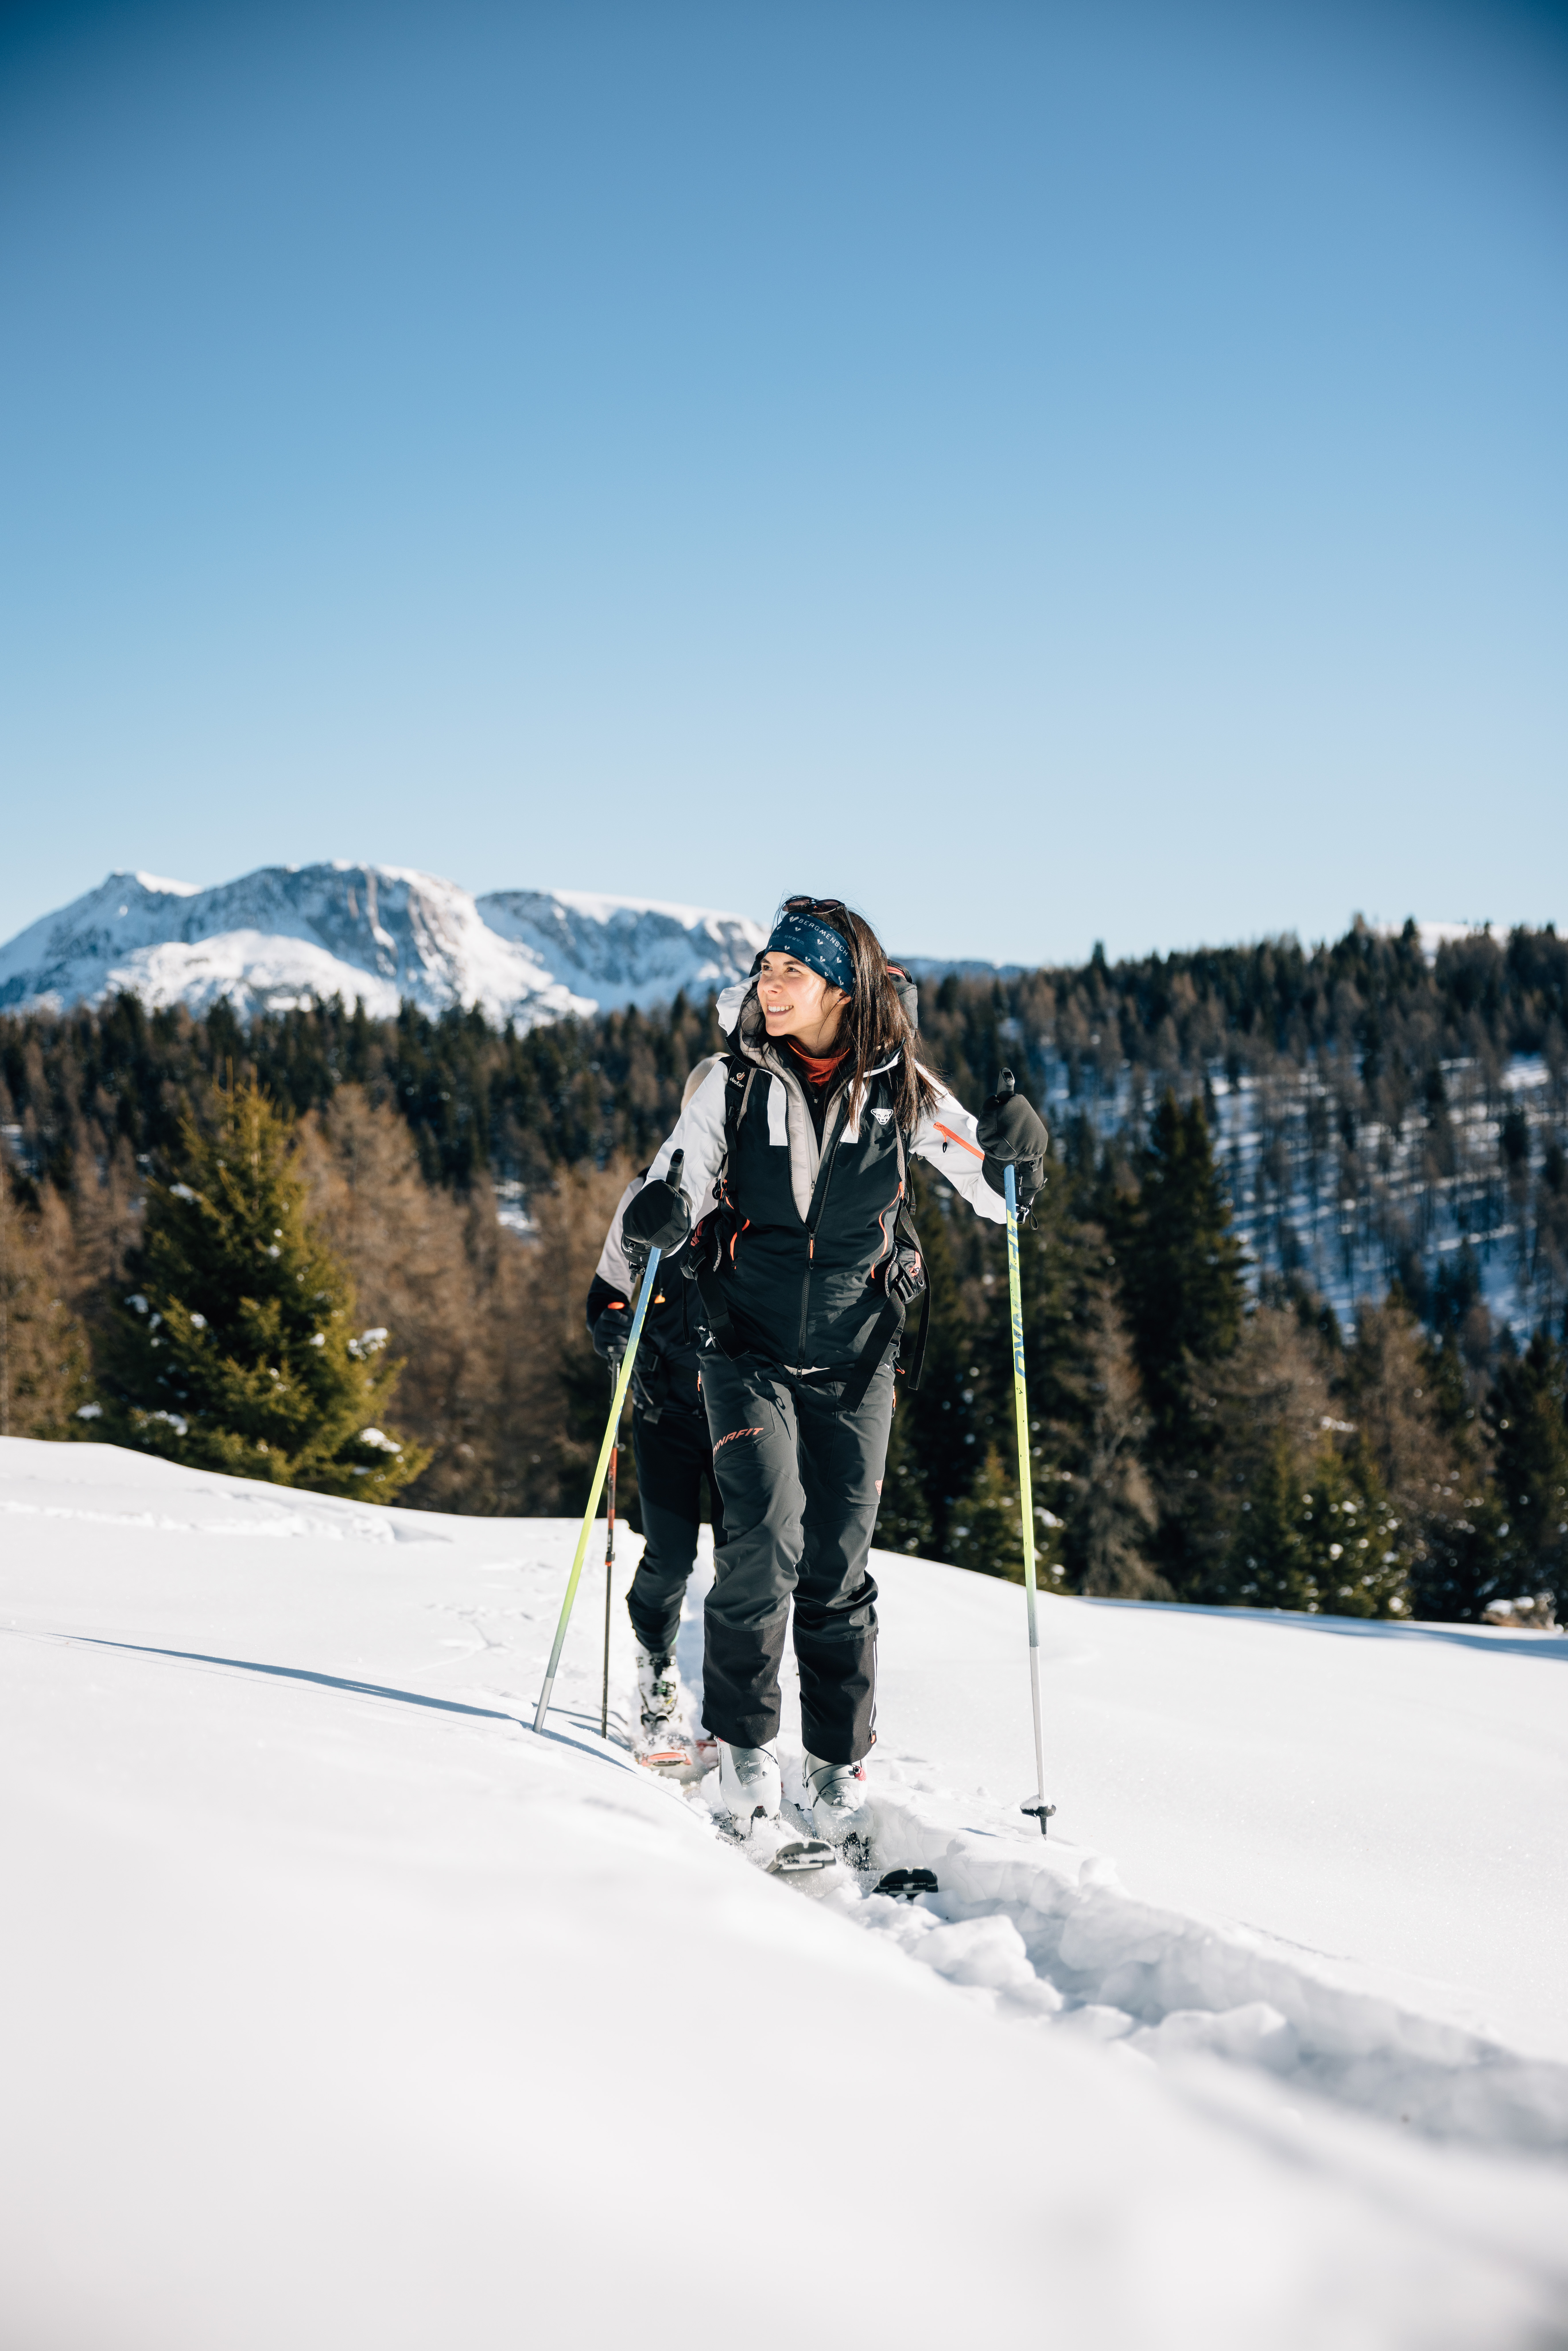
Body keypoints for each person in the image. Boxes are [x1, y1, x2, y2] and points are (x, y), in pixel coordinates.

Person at [618, 895, 1048, 1851]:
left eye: (793, 972)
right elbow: (677, 1180)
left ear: (844, 990)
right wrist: (660, 1217)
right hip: (745, 1347)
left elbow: (996, 1190)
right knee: (763, 1540)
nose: (770, 986)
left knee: (837, 1565)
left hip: (859, 1356)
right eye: (766, 969)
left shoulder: (903, 1091)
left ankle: (834, 1767)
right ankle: (743, 1748)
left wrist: (1018, 1158)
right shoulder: (730, 1081)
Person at [586, 1058, 725, 1758]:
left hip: (741, 1415)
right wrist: (612, 1328)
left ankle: (733, 1712)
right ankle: (655, 1663)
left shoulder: (760, 1201)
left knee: (745, 1566)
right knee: (670, 1558)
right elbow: (607, 1291)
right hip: (665, 1408)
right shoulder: (646, 1196)